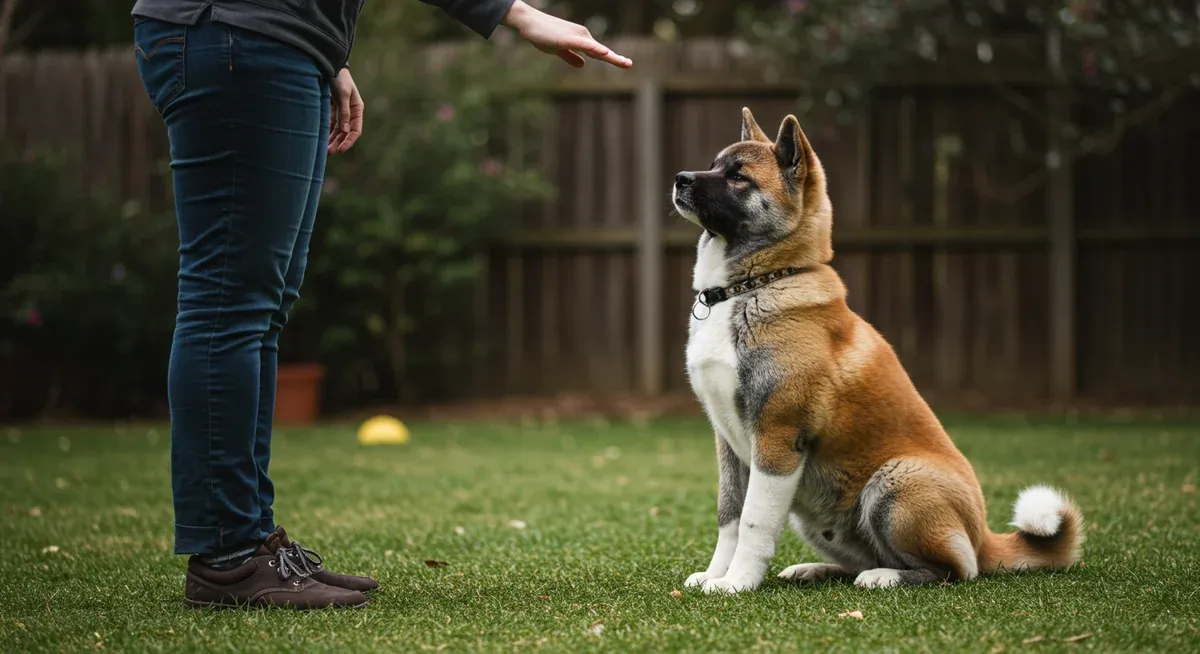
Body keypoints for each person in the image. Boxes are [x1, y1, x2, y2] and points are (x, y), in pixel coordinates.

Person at [129, 0, 631, 610]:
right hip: (237, 35)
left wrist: (325, 50)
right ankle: (228, 557)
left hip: (272, 40)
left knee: (261, 301)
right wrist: (516, 13)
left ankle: (250, 542)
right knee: (230, 299)